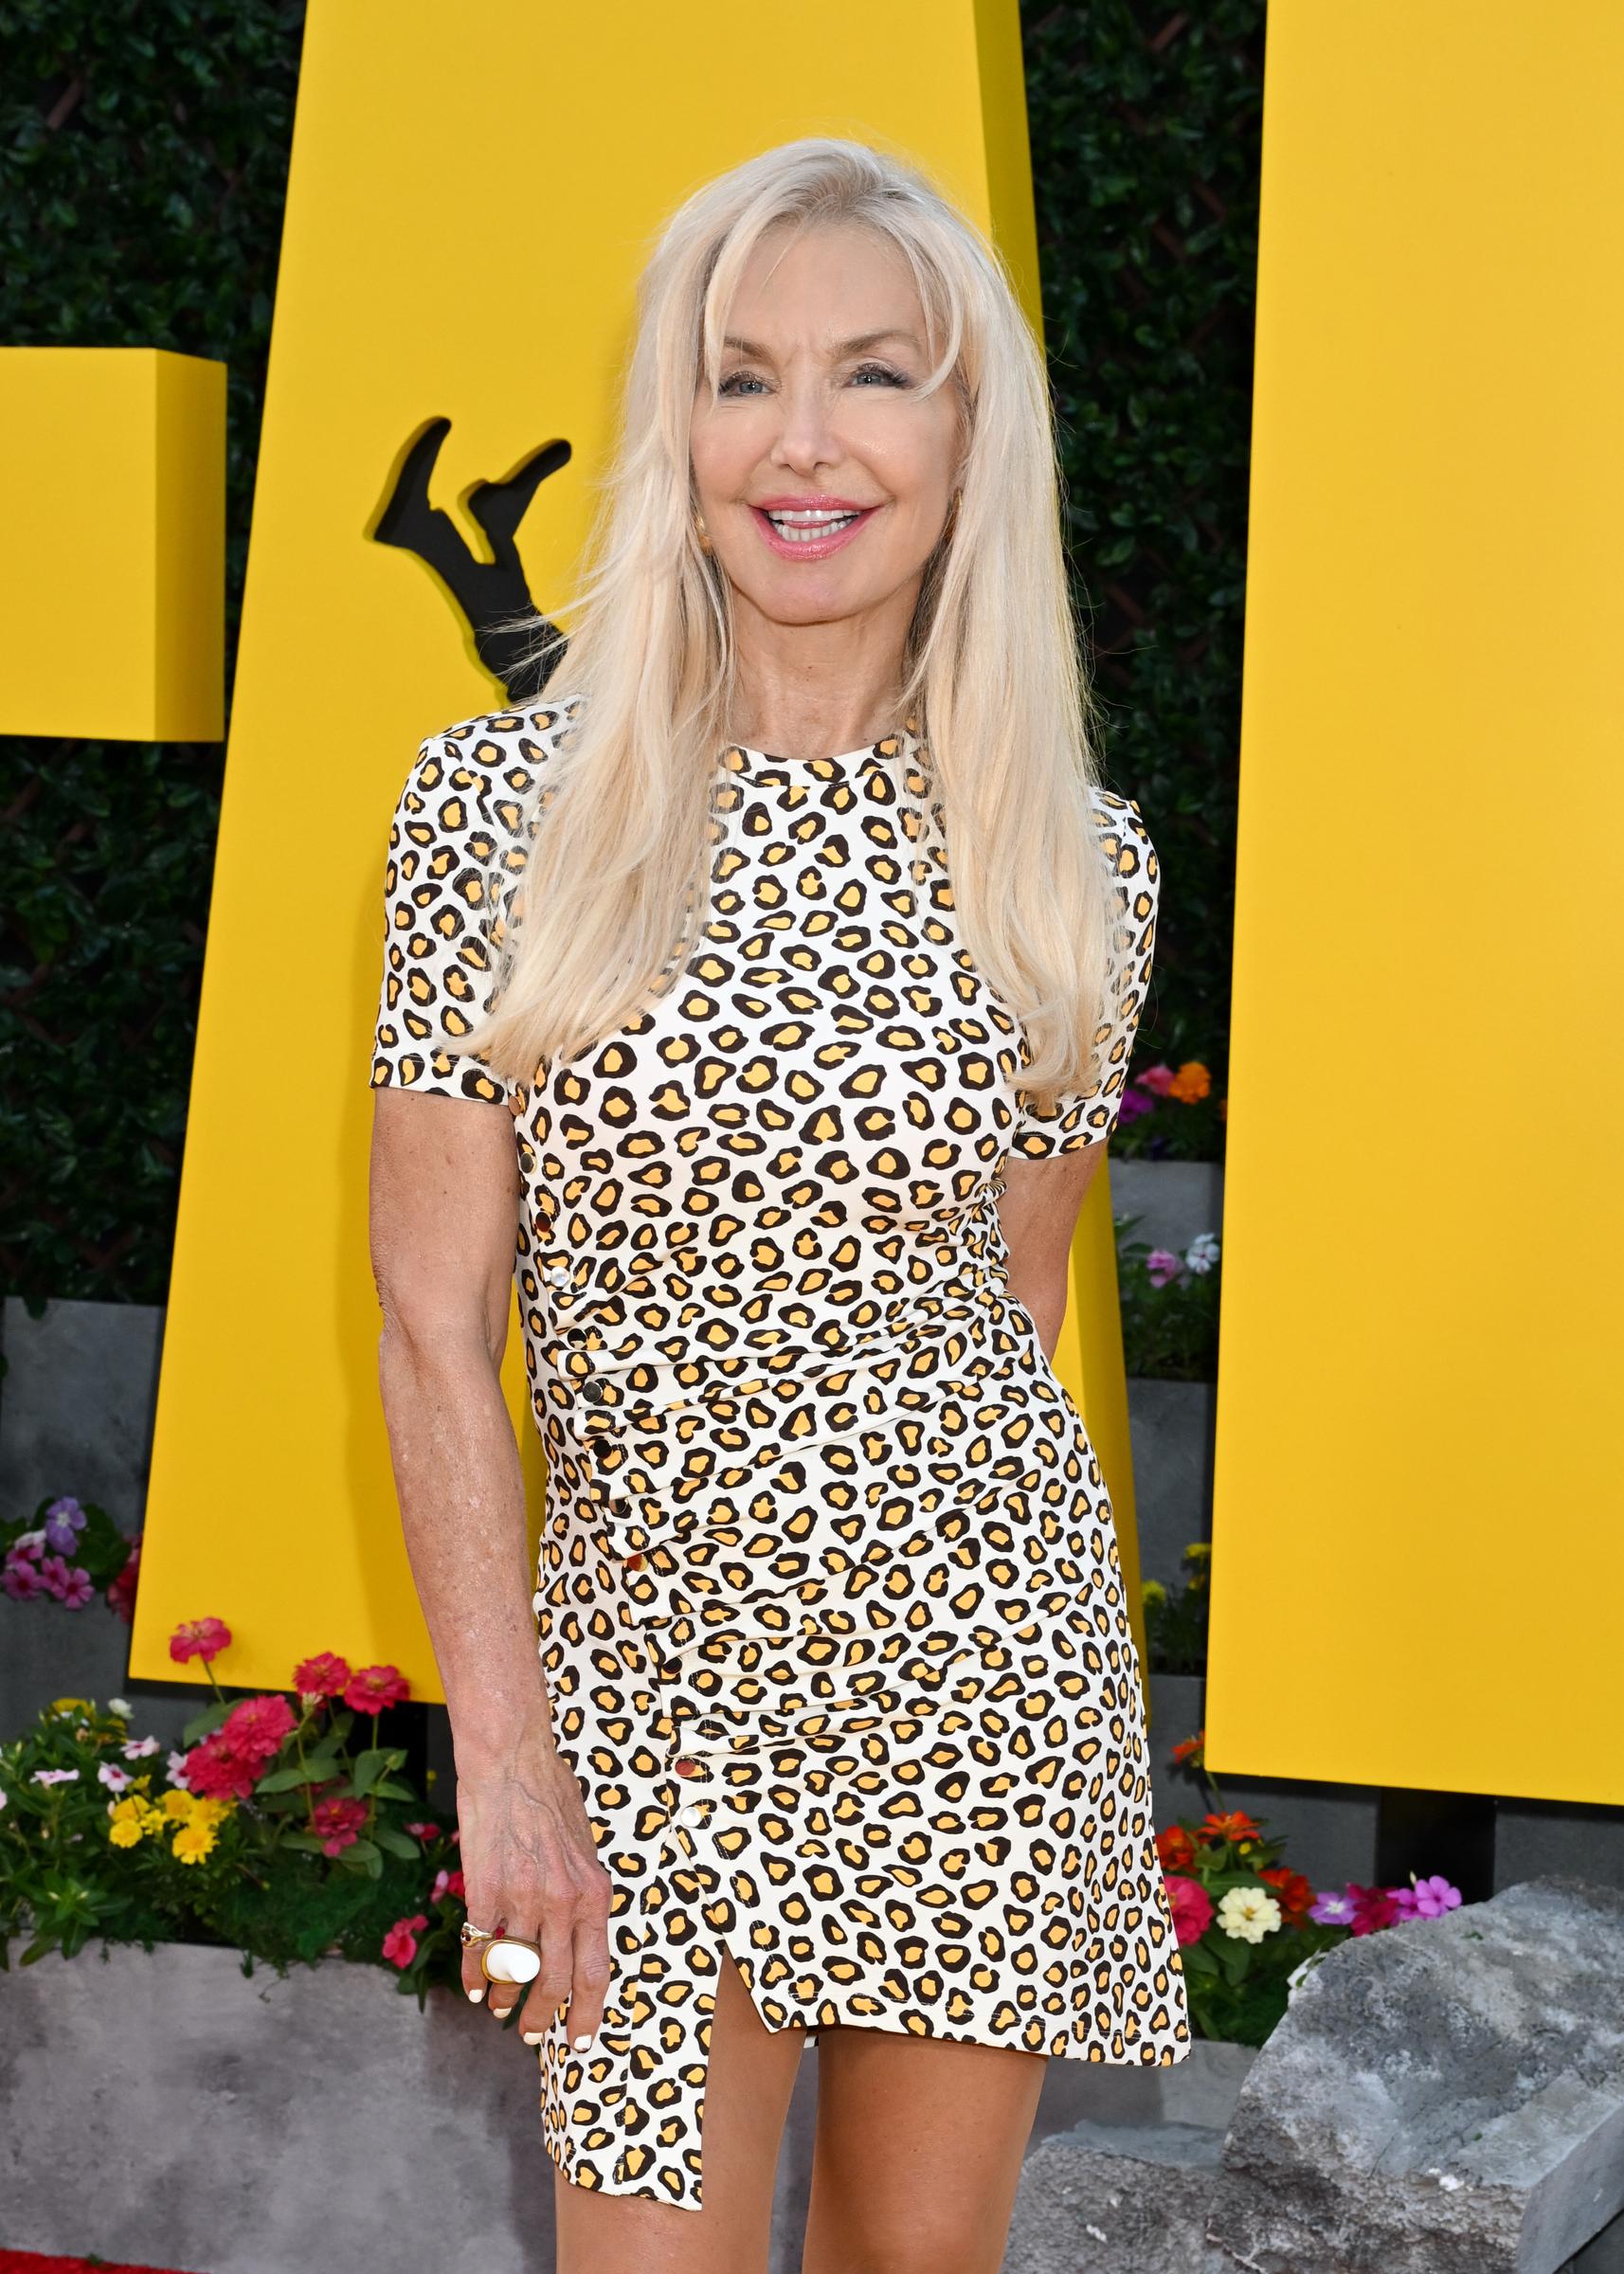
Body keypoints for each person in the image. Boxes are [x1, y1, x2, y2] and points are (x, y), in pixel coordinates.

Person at [368, 135, 1187, 2274]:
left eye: (871, 376)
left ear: (964, 432)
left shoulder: (1072, 871)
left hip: (971, 1673)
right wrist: (503, 1761)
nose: (799, 442)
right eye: (740, 379)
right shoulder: (502, 815)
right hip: (639, 1676)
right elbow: (432, 1323)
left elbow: (1001, 1321)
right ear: (679, 424)